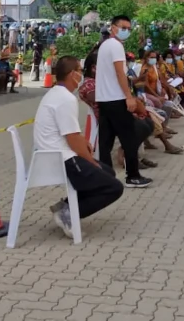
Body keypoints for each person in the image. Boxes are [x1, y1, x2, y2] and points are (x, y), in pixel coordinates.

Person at [35, 57, 124, 238]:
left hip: (54, 155)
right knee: (115, 187)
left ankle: (66, 206)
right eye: (80, 71)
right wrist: (90, 161)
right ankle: (68, 214)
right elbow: (72, 139)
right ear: (72, 74)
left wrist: (84, 144)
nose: (81, 75)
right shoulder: (65, 99)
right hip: (60, 160)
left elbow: (72, 134)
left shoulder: (55, 94)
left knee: (107, 172)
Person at [95, 15, 152, 188]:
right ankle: (132, 175)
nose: (126, 31)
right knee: (129, 138)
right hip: (116, 99)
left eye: (128, 28)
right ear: (113, 27)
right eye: (123, 27)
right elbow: (120, 73)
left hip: (104, 99)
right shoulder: (116, 45)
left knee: (105, 141)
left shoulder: (104, 45)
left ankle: (105, 177)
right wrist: (129, 96)